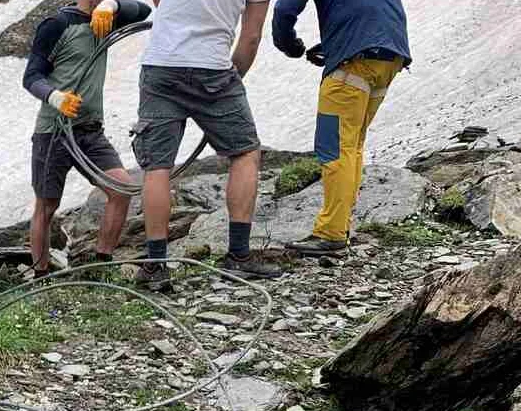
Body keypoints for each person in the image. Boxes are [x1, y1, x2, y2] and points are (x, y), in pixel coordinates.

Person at [132, 0, 281, 292]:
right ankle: (238, 254)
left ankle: (156, 266)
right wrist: (230, 84)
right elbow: (250, 38)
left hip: (161, 66)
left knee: (158, 167)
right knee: (245, 153)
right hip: (213, 67)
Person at [23, 0, 152, 279]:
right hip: (54, 130)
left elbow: (143, 11)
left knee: (121, 190)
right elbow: (31, 76)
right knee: (46, 205)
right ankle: (41, 277)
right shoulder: (57, 24)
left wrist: (111, 5)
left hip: (90, 131)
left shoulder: (105, 20)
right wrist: (56, 98)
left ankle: (101, 266)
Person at [273, 0, 411, 256]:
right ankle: (342, 226)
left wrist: (289, 45)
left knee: (335, 148)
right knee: (352, 145)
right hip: (390, 56)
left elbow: (284, 10)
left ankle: (331, 233)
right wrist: (334, 45)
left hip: (354, 62)